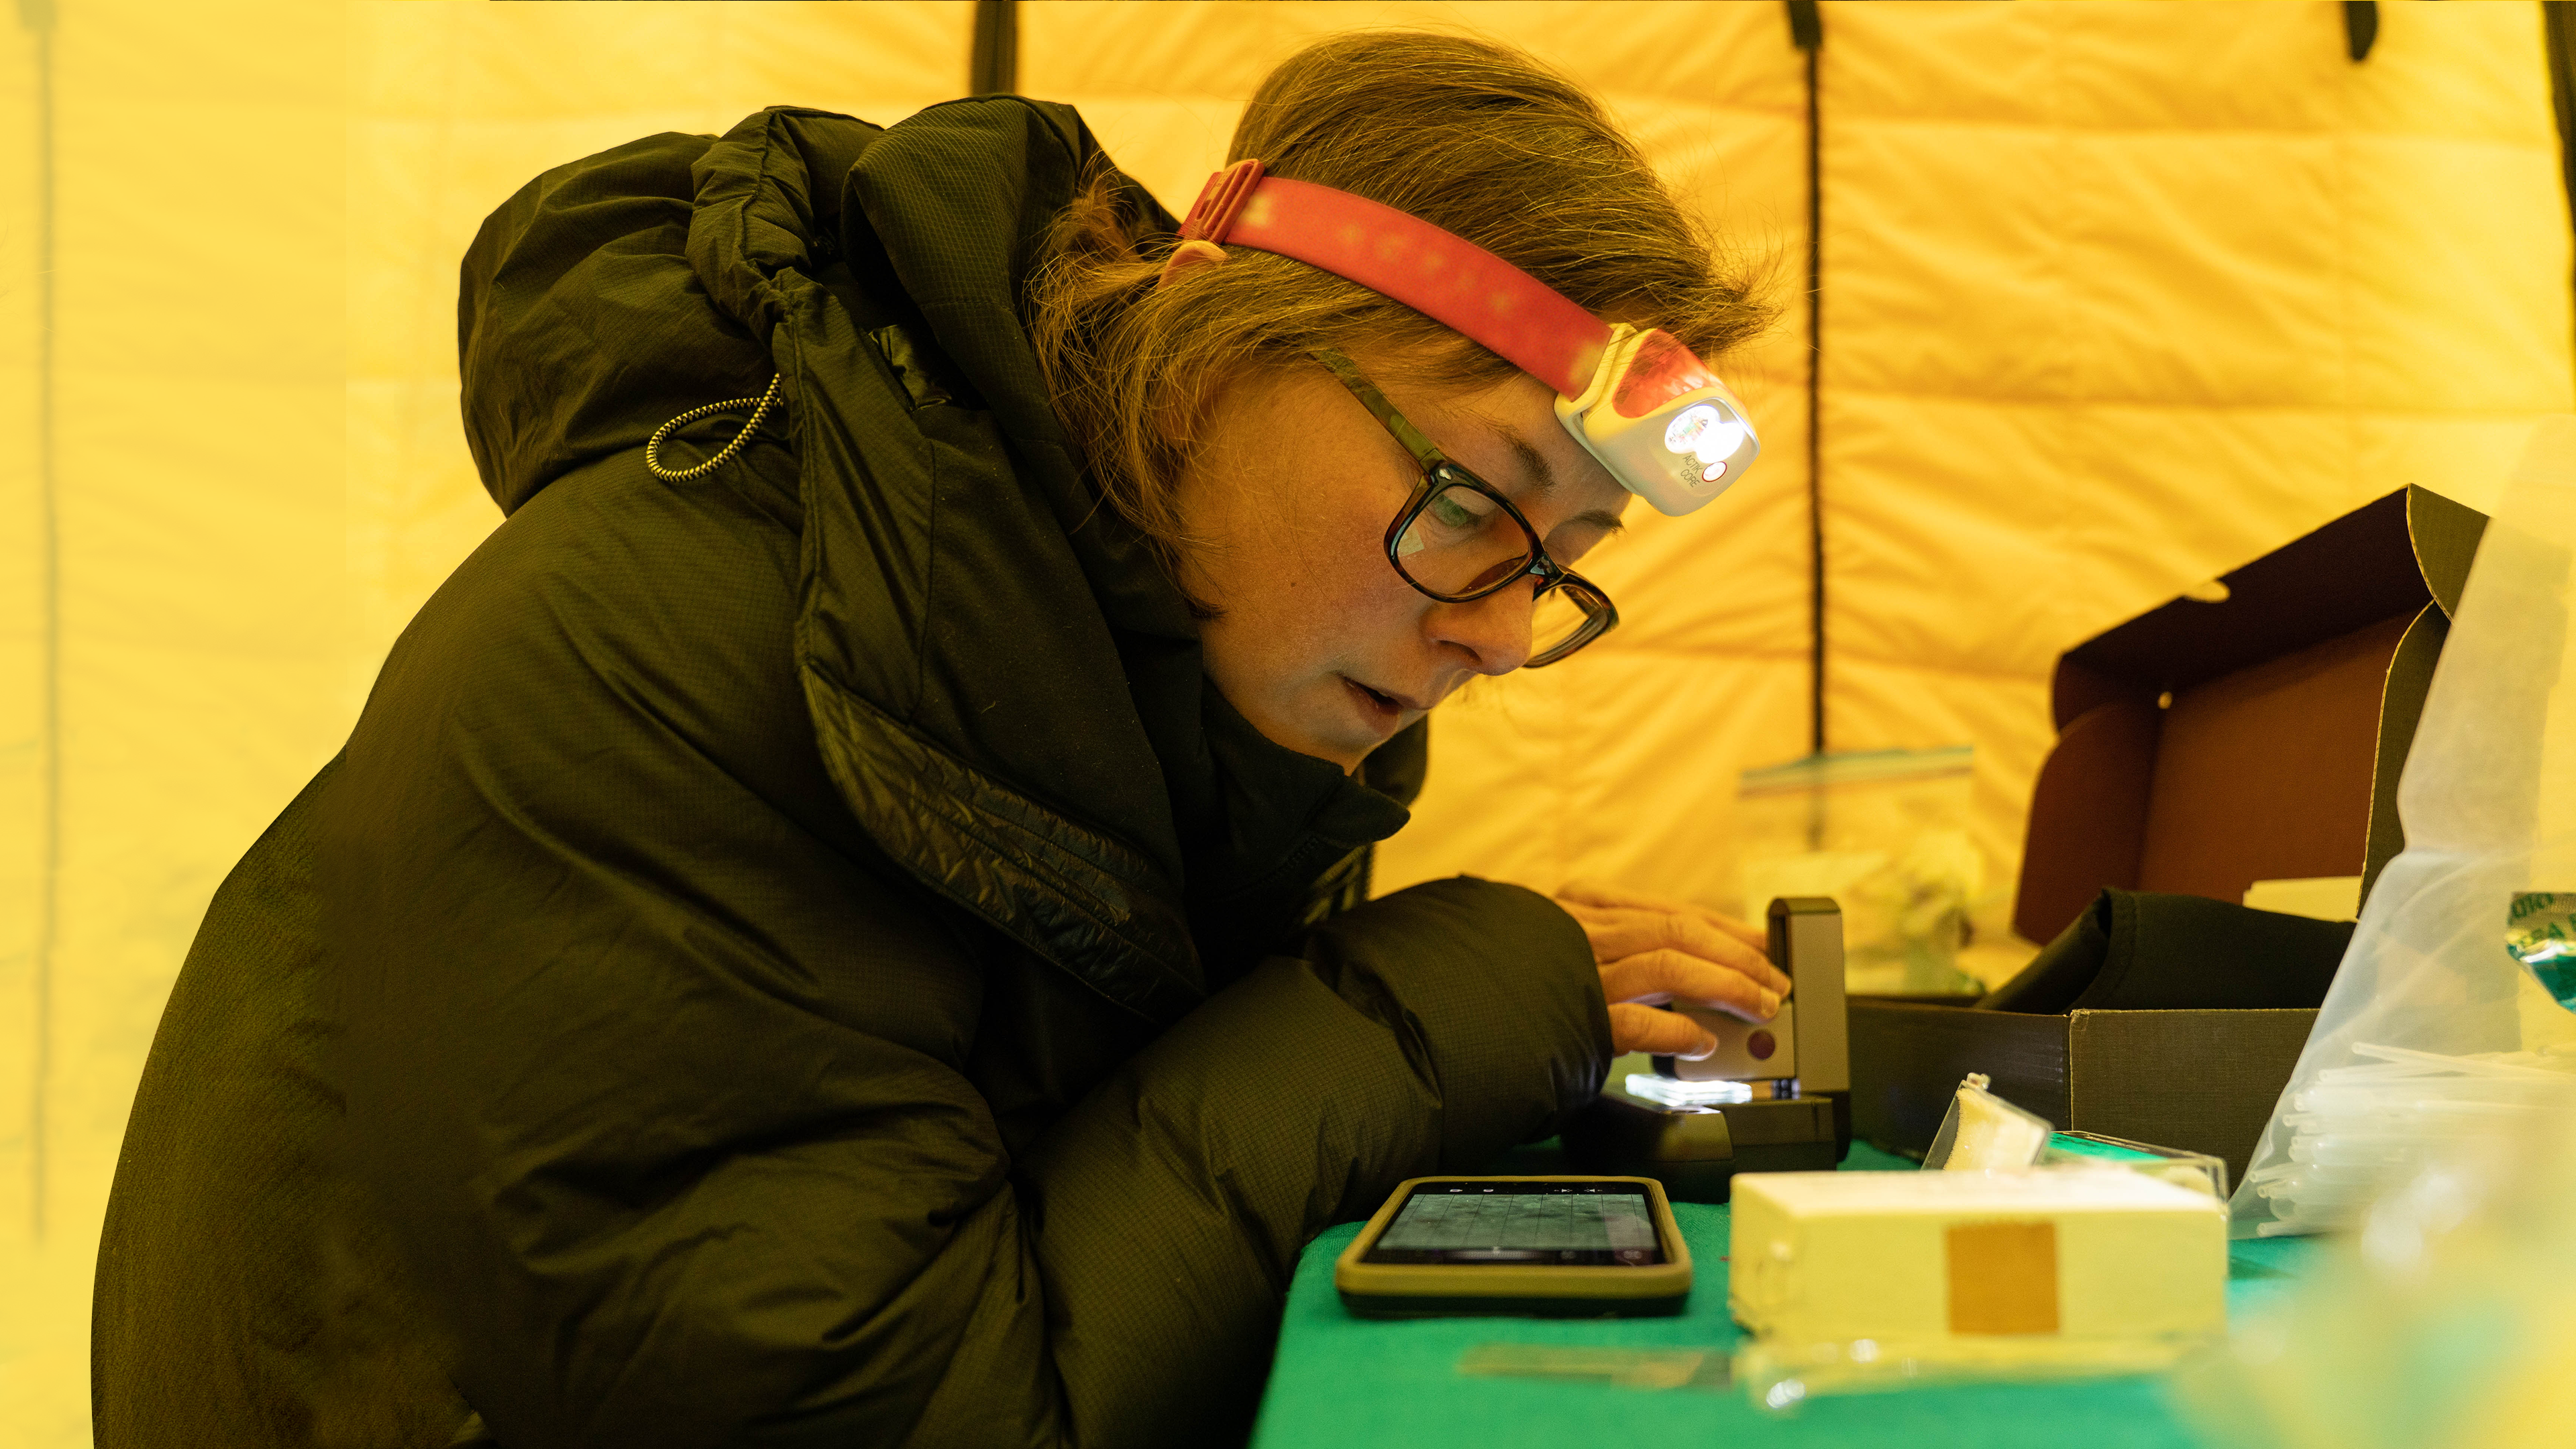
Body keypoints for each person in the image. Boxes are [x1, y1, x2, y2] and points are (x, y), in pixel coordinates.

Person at [93, 30, 1782, 1449]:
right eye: (1475, 502)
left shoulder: (1141, 683)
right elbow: (917, 1413)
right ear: (1211, 356)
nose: (1496, 631)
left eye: (1559, 571)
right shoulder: (667, 658)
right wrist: (1428, 1007)